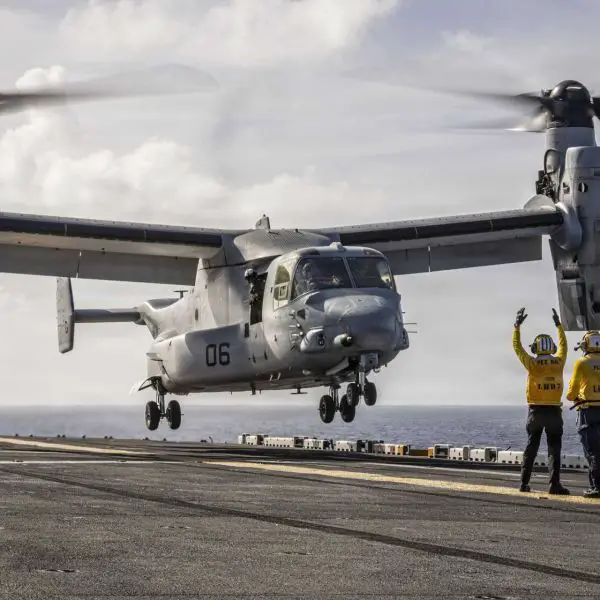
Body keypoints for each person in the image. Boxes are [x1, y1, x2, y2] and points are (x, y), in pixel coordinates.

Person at [513, 307, 570, 495]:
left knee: (531, 447)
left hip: (535, 411)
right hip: (554, 412)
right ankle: (554, 484)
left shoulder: (532, 363)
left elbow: (517, 347)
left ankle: (523, 483)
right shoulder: (559, 361)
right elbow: (564, 345)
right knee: (554, 449)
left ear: (535, 348)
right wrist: (558, 325)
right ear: (551, 348)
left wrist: (517, 326)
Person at [566, 330, 600, 498]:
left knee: (592, 450)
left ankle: (596, 487)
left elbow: (572, 392)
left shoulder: (582, 362)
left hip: (588, 411)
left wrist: (572, 397)